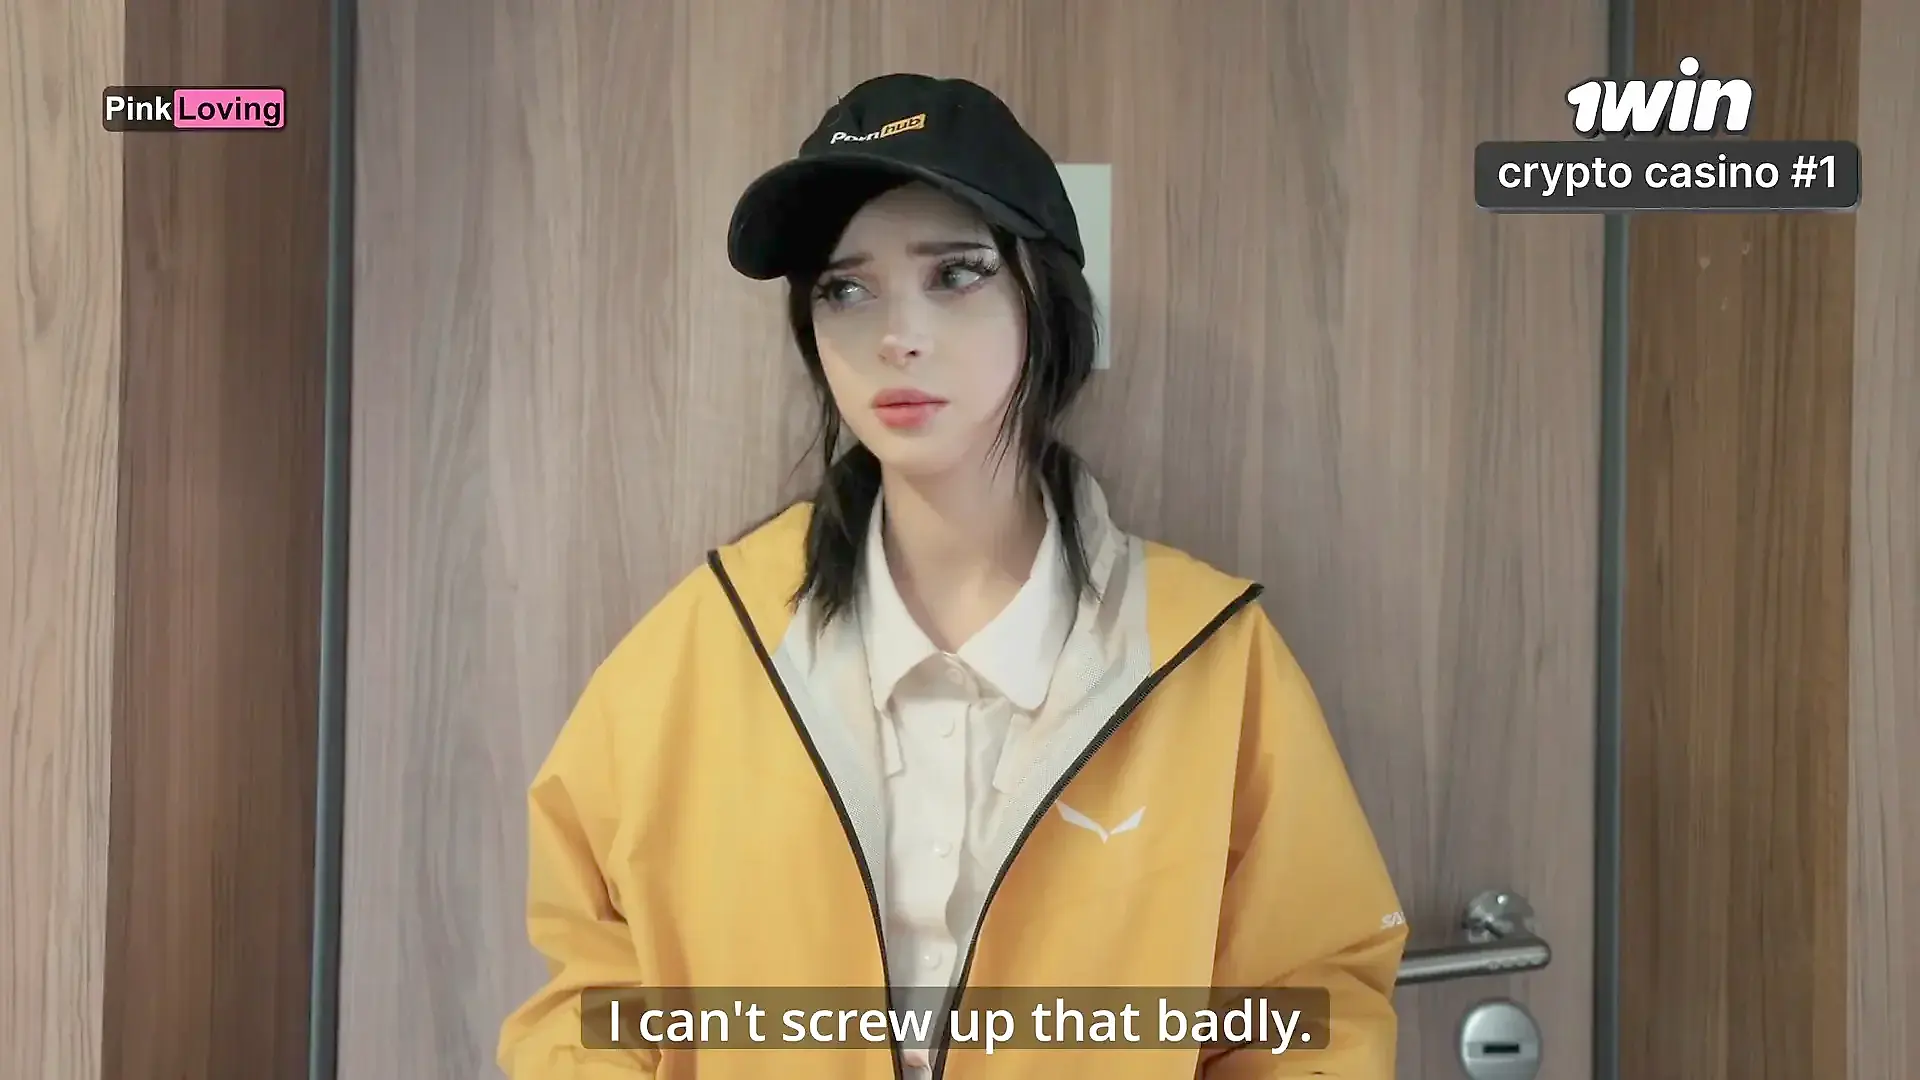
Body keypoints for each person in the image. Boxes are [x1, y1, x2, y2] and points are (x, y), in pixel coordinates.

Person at [497, 73, 1406, 1080]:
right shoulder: (705, 648)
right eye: (846, 288)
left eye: (956, 274)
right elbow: (589, 994)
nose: (898, 335)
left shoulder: (1211, 664)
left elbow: (1310, 1010)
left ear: (1044, 300)